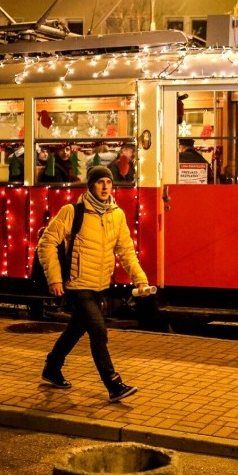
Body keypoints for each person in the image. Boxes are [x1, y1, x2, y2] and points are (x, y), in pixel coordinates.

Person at [37, 165, 151, 403]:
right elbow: (47, 243)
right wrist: (55, 278)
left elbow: (126, 251)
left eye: (108, 182)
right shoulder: (73, 211)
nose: (105, 186)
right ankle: (113, 383)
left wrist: (140, 278)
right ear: (90, 185)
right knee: (98, 330)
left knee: (76, 328)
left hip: (100, 284)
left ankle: (52, 367)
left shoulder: (116, 215)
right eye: (100, 182)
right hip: (78, 284)